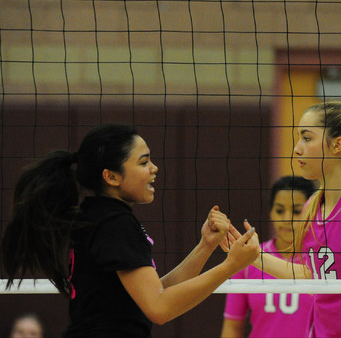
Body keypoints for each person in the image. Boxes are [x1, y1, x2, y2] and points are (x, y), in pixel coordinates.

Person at [1, 124, 259, 338]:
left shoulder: (100, 215)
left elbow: (154, 292)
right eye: (144, 162)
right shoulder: (114, 223)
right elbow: (159, 308)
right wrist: (231, 266)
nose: (154, 168)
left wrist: (205, 246)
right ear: (111, 177)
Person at [224, 100, 341, 338]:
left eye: (306, 138)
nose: (297, 149)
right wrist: (254, 255)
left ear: (337, 145)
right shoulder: (312, 208)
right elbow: (311, 276)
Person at [220, 175, 316, 338]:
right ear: (271, 212)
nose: (287, 218)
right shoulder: (248, 259)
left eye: (296, 210)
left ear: (312, 212)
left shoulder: (322, 262)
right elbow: (232, 327)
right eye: (279, 210)